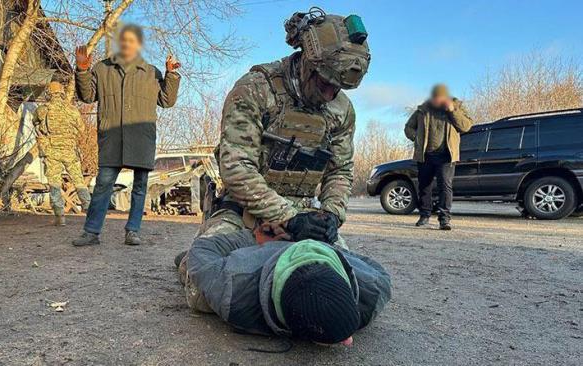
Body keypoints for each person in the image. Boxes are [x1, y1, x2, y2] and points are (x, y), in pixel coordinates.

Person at [176, 8, 370, 271]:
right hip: (244, 213)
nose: (329, 95)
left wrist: (332, 214)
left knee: (345, 280)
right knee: (209, 286)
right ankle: (193, 258)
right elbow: (236, 168)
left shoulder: (341, 109)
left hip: (304, 217)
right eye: (324, 83)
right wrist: (289, 218)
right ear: (308, 63)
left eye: (338, 89)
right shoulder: (255, 89)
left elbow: (340, 170)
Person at [181, 229, 391, 347]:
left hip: (315, 241)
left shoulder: (373, 290)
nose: (349, 341)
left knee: (336, 238)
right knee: (197, 292)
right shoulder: (234, 292)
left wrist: (326, 244)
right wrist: (256, 237)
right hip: (260, 243)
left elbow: (374, 267)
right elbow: (203, 247)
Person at [72, 24, 181, 246]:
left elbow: (167, 101)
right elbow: (87, 96)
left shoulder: (151, 72)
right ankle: (91, 232)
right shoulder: (102, 69)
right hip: (112, 138)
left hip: (141, 138)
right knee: (103, 185)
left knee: (140, 187)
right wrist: (83, 71)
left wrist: (171, 75)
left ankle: (133, 230)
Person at [404, 84, 473, 230]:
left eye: (440, 97)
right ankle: (424, 215)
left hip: (446, 155)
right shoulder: (422, 110)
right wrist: (416, 137)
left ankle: (444, 219)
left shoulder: (457, 107)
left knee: (445, 187)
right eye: (435, 97)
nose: (437, 100)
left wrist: (453, 111)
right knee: (424, 186)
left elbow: (466, 127)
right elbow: (408, 127)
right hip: (425, 155)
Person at [33, 81, 91, 226]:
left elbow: (35, 122)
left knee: (54, 183)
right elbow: (82, 129)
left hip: (51, 151)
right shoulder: (72, 110)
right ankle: (90, 211)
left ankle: (60, 217)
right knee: (79, 181)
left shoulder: (42, 109)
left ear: (49, 93)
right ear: (62, 93)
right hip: (69, 151)